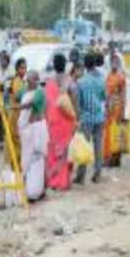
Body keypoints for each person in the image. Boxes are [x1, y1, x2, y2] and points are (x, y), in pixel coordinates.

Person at [45, 53, 78, 191]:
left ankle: (53, 180)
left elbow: (47, 103)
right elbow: (75, 102)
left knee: (54, 150)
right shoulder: (70, 82)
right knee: (66, 150)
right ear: (65, 65)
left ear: (54, 65)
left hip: (52, 121)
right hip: (67, 121)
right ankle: (64, 181)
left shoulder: (48, 82)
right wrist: (77, 118)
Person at [74, 53, 106, 185]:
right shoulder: (101, 79)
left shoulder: (81, 82)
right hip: (99, 116)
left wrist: (78, 117)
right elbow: (104, 97)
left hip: (86, 118)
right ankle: (97, 174)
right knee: (98, 146)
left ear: (85, 65)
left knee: (83, 147)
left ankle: (81, 176)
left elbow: (78, 103)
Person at [18, 70, 48, 201]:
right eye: (28, 81)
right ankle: (30, 190)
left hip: (36, 129)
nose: (29, 84)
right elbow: (16, 96)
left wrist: (16, 107)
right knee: (27, 160)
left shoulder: (40, 92)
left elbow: (30, 104)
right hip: (27, 131)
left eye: (31, 81)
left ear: (36, 80)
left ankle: (37, 191)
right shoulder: (24, 91)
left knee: (37, 160)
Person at [103, 54, 127, 167]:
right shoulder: (107, 77)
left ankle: (114, 158)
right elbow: (105, 94)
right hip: (109, 108)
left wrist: (122, 112)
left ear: (119, 63)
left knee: (117, 131)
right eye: (112, 61)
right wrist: (106, 106)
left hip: (117, 107)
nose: (114, 64)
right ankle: (108, 157)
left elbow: (123, 95)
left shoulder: (121, 78)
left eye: (116, 62)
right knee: (108, 133)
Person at [8, 58, 27, 161]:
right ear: (17, 69)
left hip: (18, 114)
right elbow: (19, 97)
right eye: (22, 68)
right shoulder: (17, 81)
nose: (24, 70)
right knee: (17, 141)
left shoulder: (20, 81)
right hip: (16, 115)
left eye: (25, 68)